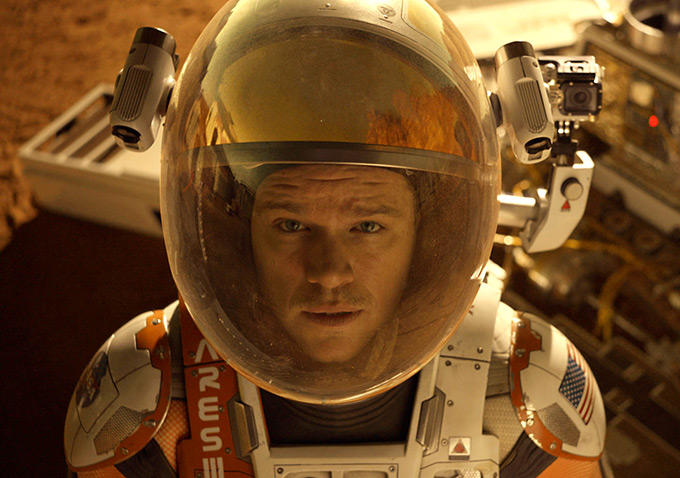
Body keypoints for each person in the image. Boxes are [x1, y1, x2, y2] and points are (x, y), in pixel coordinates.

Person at [64, 0, 607, 477]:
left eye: (367, 227)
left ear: (428, 241)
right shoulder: (138, 407)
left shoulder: (531, 402)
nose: (327, 272)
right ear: (237, 236)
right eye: (291, 225)